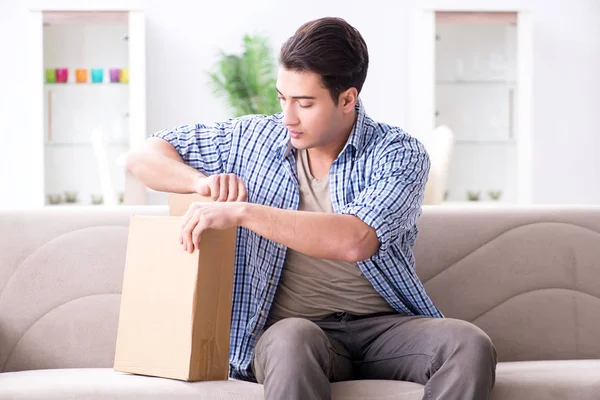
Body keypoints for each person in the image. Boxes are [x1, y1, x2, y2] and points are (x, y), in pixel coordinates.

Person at [126, 16, 497, 400]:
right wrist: (199, 183)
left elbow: (356, 239)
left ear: (348, 99)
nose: (288, 117)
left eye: (304, 103)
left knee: (468, 344)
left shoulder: (398, 153)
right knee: (291, 339)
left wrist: (243, 212)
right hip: (296, 328)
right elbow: (143, 155)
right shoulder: (251, 138)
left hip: (386, 328)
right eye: (282, 98)